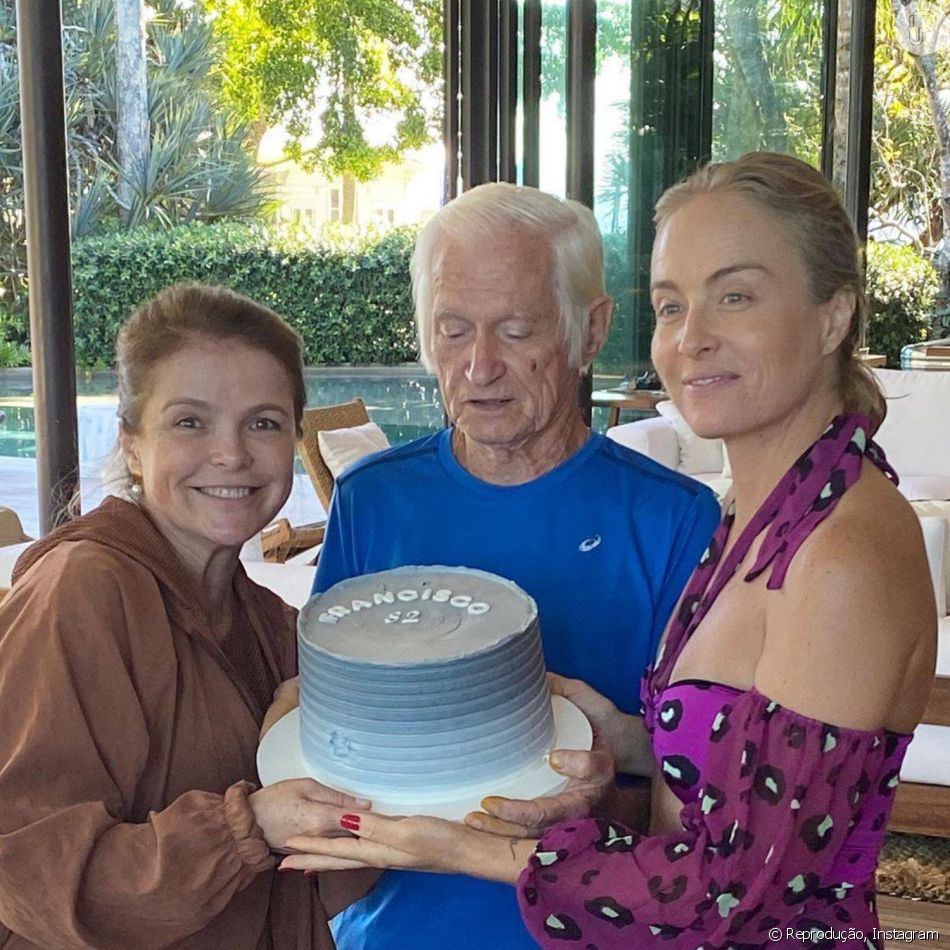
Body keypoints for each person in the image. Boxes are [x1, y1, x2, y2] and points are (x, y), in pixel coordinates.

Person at [280, 154, 937, 949]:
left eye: (736, 295)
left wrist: (462, 846)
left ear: (832, 315)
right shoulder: (761, 519)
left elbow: (731, 892)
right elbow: (725, 767)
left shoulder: (836, 550)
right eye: (670, 305)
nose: (692, 338)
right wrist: (622, 735)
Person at [301, 182, 721, 950]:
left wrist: (601, 809)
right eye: (452, 331)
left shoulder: (677, 523)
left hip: (592, 931)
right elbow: (330, 731)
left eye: (517, 330)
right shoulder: (372, 501)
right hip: (390, 931)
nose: (479, 366)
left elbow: (702, 809)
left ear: (589, 331)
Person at [0, 284, 365, 949]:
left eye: (263, 422)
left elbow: (318, 871)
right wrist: (246, 828)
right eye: (190, 421)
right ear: (133, 445)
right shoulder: (82, 592)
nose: (231, 454)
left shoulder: (270, 621)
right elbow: (26, 868)